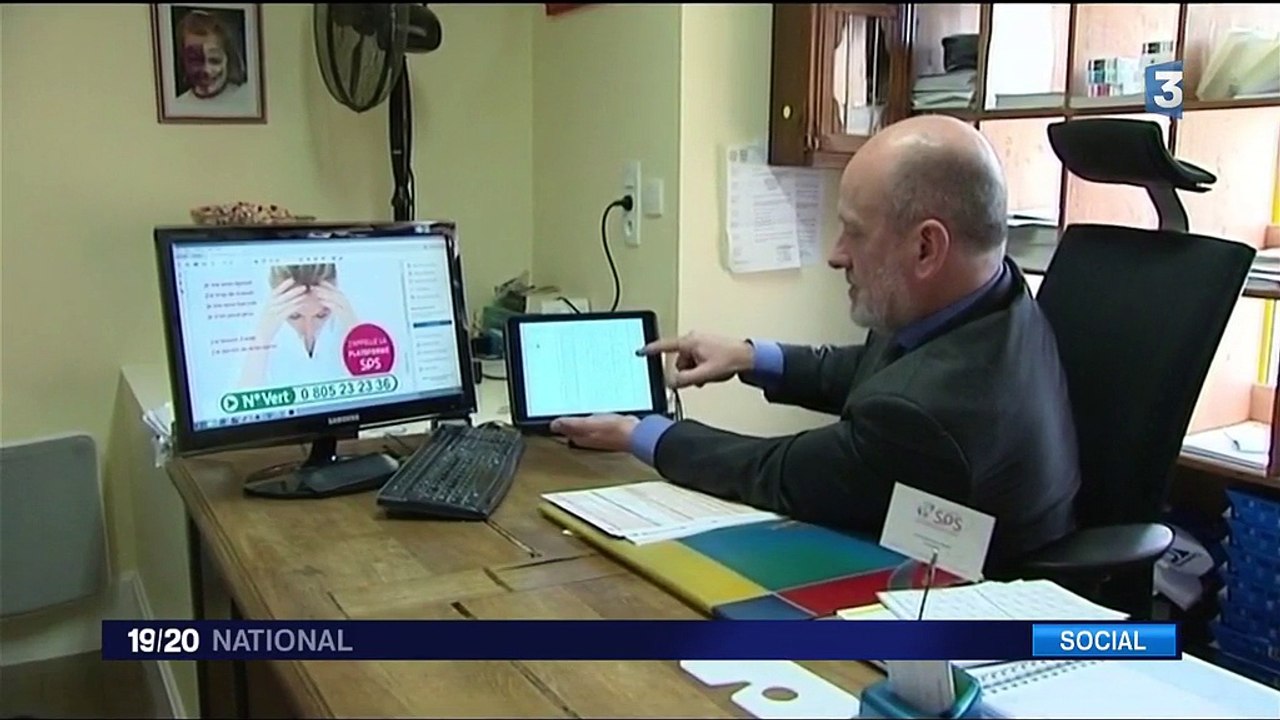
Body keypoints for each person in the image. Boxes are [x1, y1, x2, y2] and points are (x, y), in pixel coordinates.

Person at [550, 115, 1081, 571]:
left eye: (854, 231)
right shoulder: (998, 296)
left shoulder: (928, 415)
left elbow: (775, 471)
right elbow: (882, 371)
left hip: (961, 616)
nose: (835, 254)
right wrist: (753, 356)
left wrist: (640, 434)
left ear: (926, 246)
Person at [238, 264, 358, 389]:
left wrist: (357, 333)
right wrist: (262, 338)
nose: (309, 331)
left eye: (321, 315)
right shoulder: (250, 327)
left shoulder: (350, 318)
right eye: (295, 316)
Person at [173, 10, 248, 104]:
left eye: (214, 60)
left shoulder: (246, 98)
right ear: (183, 60)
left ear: (228, 59)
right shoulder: (179, 105)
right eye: (195, 60)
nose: (206, 70)